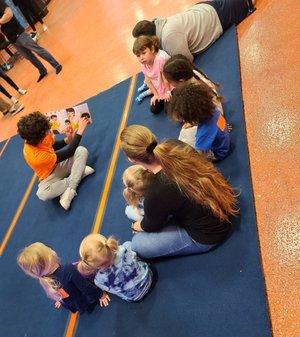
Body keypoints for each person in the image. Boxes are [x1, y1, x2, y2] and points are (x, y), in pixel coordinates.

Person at [120, 125, 237, 258]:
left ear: (132, 159)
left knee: (137, 244)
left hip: (209, 234)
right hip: (222, 205)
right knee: (136, 213)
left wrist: (135, 227)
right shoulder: (174, 144)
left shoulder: (157, 191)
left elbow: (151, 226)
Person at [17, 111, 94, 210]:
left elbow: (53, 146)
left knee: (81, 150)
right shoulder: (37, 157)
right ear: (39, 137)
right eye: (47, 131)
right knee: (42, 193)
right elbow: (69, 152)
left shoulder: (35, 139)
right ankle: (76, 178)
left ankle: (71, 185)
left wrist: (69, 138)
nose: (50, 132)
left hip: (58, 164)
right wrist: (80, 131)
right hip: (49, 175)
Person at [132, 1, 256, 62]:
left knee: (248, 2)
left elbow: (186, 60)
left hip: (217, 17)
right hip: (204, 8)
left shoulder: (168, 37)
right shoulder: (157, 24)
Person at [17, 242, 110, 314]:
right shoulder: (68, 270)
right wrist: (101, 295)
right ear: (50, 258)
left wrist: (59, 300)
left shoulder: (43, 280)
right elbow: (86, 288)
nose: (50, 249)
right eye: (48, 249)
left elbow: (55, 292)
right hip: (85, 301)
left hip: (72, 305)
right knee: (87, 271)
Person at [78, 233, 153, 302]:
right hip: (148, 277)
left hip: (134, 297)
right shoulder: (122, 250)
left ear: (94, 266)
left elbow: (114, 291)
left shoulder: (98, 280)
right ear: (107, 245)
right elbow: (134, 255)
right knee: (127, 244)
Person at [0, 0, 62, 82]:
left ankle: (56, 65)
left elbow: (9, 14)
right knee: (29, 57)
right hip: (11, 38)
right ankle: (42, 71)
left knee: (38, 50)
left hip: (18, 33)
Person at [169, 82, 230, 160]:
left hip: (218, 153)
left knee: (184, 138)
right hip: (223, 140)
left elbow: (201, 154)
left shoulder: (203, 133)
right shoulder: (212, 109)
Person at [133, 35, 171, 114]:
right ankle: (148, 93)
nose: (141, 58)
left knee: (168, 109)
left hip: (168, 87)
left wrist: (168, 92)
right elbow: (148, 81)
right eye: (138, 56)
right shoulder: (143, 66)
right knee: (154, 110)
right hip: (158, 89)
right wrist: (156, 95)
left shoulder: (160, 61)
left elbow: (166, 79)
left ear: (152, 49)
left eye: (144, 53)